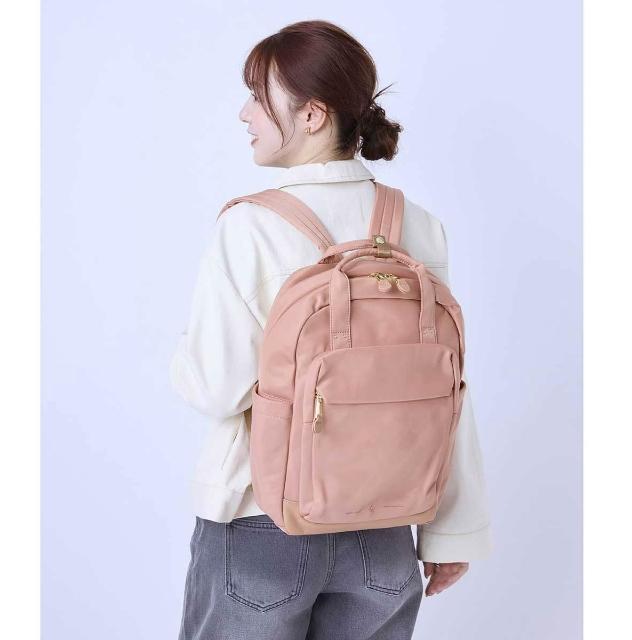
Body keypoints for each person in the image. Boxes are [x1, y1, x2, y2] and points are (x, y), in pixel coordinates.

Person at [170, 19, 492, 640]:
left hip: (262, 520)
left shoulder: (251, 227)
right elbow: (445, 388)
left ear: (313, 114)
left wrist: (183, 356)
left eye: (258, 97)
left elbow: (216, 388)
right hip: (386, 529)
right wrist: (453, 530)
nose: (244, 113)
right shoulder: (418, 225)